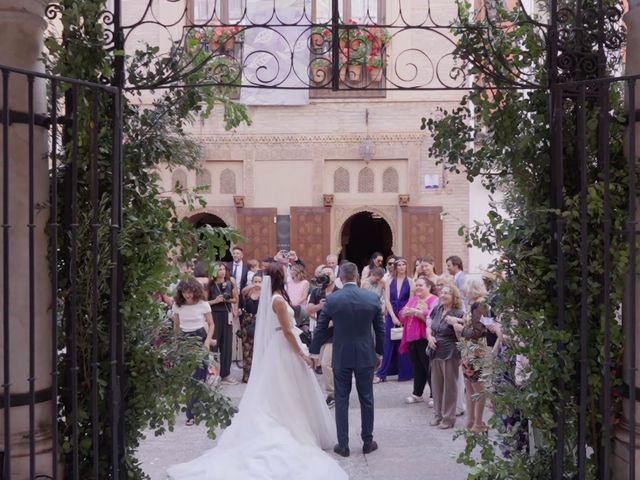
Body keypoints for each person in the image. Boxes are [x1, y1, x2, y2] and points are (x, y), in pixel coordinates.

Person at [167, 264, 348, 480]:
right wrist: (303, 354)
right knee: (288, 390)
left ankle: (297, 424)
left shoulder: (275, 297)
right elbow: (288, 332)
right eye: (285, 274)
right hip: (285, 348)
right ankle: (290, 428)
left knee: (290, 390)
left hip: (281, 347)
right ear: (280, 278)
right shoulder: (278, 301)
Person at [310, 262, 385, 458]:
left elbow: (321, 327)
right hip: (365, 354)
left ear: (340, 278)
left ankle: (343, 445)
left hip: (341, 354)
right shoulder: (372, 297)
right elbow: (380, 328)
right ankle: (368, 441)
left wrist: (314, 353)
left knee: (341, 399)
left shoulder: (332, 299)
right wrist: (379, 353)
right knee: (366, 399)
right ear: (358, 276)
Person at [171, 277, 216, 425]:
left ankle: (198, 409)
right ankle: (191, 413)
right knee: (189, 377)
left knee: (200, 376)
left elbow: (211, 324)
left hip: (199, 336)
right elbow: (176, 326)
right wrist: (176, 343)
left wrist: (208, 341)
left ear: (195, 291)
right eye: (184, 292)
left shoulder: (203, 305)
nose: (187, 295)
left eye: (190, 292)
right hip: (185, 338)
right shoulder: (177, 306)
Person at [427, 285, 465, 429]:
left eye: (447, 293)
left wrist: (455, 323)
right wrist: (430, 337)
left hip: (451, 352)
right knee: (436, 386)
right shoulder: (438, 309)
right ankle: (437, 415)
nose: (442, 295)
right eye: (441, 292)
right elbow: (429, 326)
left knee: (450, 386)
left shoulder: (459, 313)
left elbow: (462, 336)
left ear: (454, 297)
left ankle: (448, 418)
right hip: (435, 351)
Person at [375, 257, 414, 383]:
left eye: (404, 265)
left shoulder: (411, 281)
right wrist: (393, 317)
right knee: (388, 344)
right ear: (395, 267)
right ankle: (381, 374)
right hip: (391, 315)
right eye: (399, 265)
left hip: (405, 314)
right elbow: (387, 300)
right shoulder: (389, 281)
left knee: (404, 343)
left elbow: (411, 300)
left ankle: (405, 373)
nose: (402, 267)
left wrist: (402, 316)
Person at [399, 277, 438, 404]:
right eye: (417, 285)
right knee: (417, 366)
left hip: (425, 337)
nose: (418, 288)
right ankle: (417, 394)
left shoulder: (434, 300)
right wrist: (404, 313)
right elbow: (402, 313)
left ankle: (434, 395)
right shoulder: (414, 299)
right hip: (412, 338)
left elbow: (432, 316)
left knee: (429, 366)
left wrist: (416, 312)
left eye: (421, 285)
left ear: (428, 287)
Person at [306, 265, 340, 406]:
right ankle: (336, 393)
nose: (327, 275)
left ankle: (333, 394)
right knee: (327, 364)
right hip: (323, 333)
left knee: (327, 363)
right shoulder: (317, 292)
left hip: (338, 333)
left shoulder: (340, 292)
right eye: (324, 273)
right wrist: (319, 306)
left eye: (329, 273)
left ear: (334, 275)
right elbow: (308, 310)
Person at [208, 262, 239, 385]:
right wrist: (216, 301)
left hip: (227, 314)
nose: (222, 271)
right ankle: (213, 373)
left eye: (223, 269)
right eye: (219, 269)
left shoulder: (230, 284)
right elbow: (205, 302)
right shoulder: (210, 285)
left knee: (227, 344)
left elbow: (236, 299)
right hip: (214, 315)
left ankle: (225, 374)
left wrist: (227, 299)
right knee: (214, 343)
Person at [239, 273, 262, 383]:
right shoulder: (248, 292)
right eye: (255, 281)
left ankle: (259, 375)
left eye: (259, 281)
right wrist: (253, 286)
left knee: (259, 350)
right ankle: (247, 375)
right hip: (247, 324)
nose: (257, 284)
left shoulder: (265, 293)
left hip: (260, 323)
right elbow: (242, 292)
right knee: (247, 351)